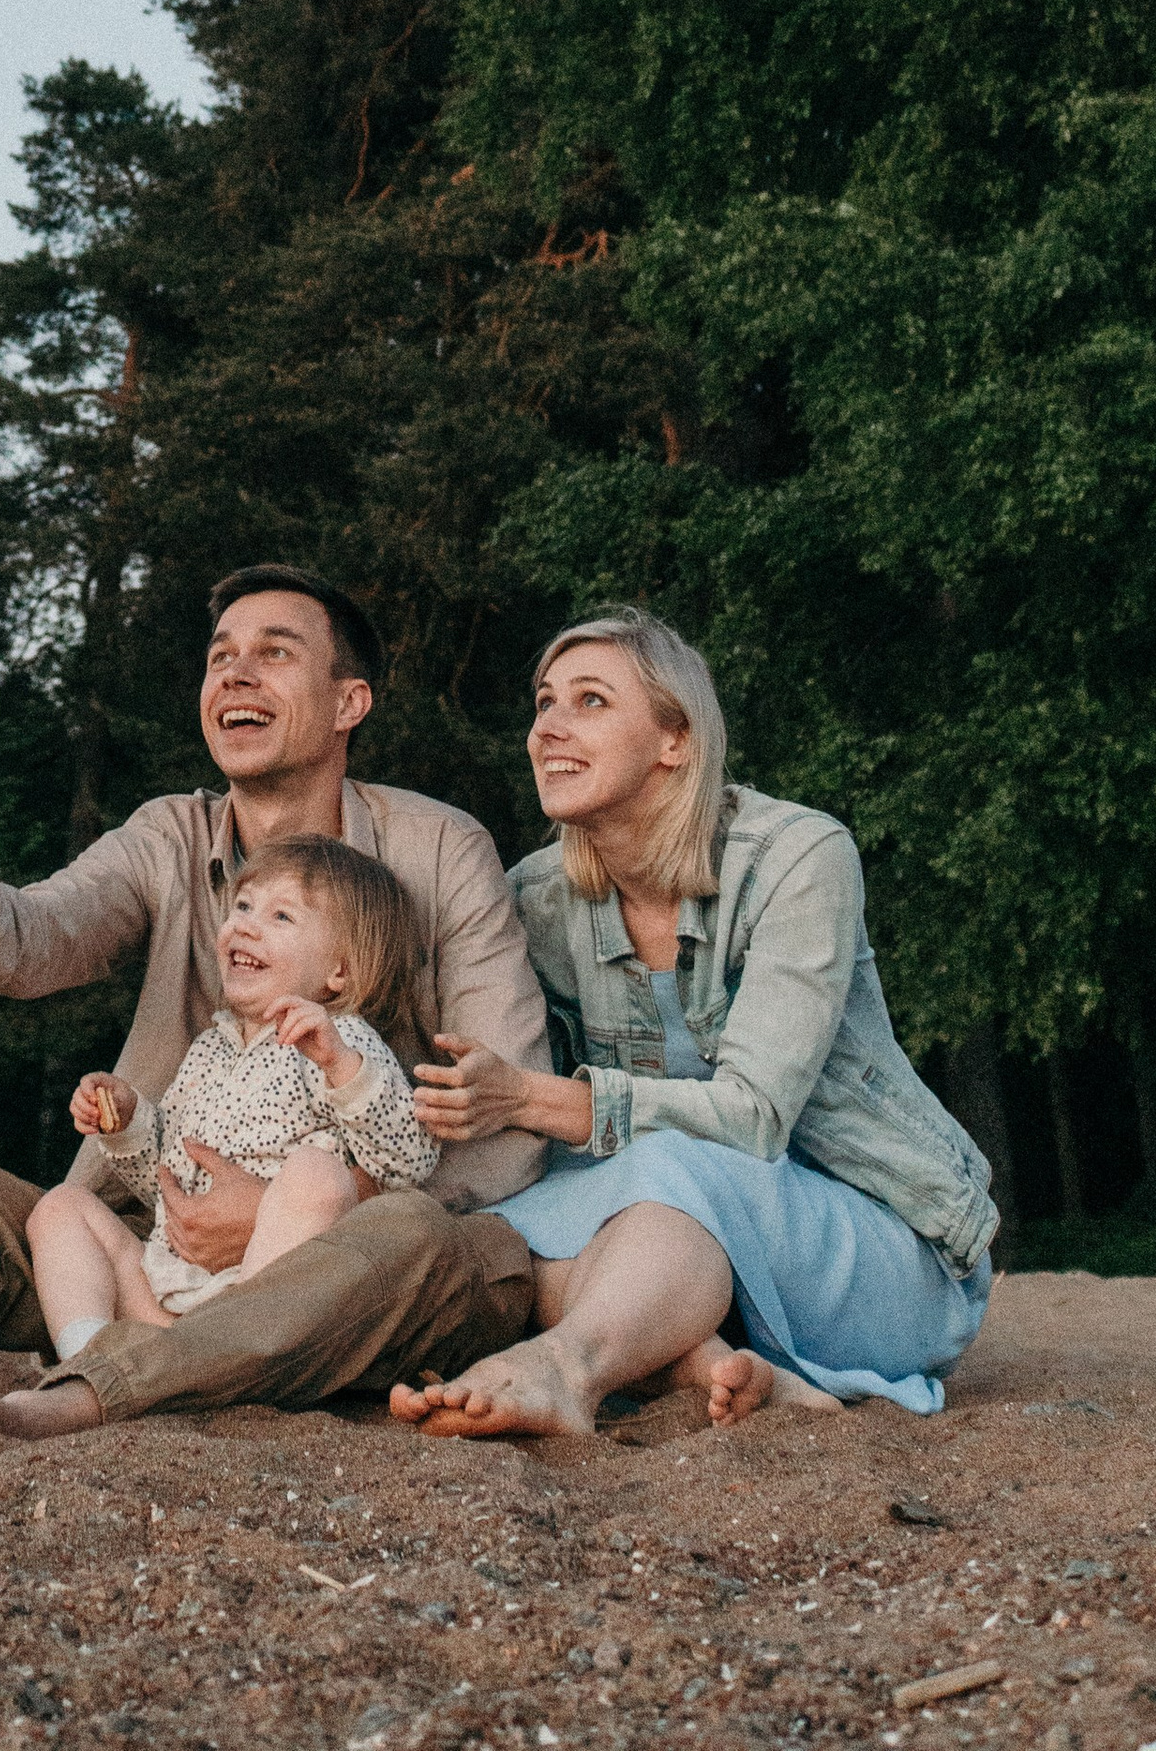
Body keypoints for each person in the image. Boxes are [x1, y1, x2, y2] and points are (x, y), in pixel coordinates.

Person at [0, 564, 555, 1427]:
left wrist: (307, 1209)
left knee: (421, 1244)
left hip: (372, 1250)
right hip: (159, 1233)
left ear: (347, 703)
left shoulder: (440, 849)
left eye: (275, 651)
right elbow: (27, 939)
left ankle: (81, 1400)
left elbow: (506, 1128)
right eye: (219, 655)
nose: (235, 670)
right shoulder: (167, 834)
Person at [390, 606, 1000, 1439]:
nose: (548, 729)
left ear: (674, 739)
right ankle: (712, 1366)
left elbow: (752, 1120)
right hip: (677, 1236)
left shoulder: (797, 859)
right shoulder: (534, 899)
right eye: (543, 703)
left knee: (672, 1160)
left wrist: (531, 1099)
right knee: (505, 1230)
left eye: (590, 701)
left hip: (884, 1257)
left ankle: (568, 1367)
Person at [0, 834, 441, 1434]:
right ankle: (90, 1369)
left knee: (314, 1174)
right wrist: (128, 1125)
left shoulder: (345, 1042)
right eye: (242, 907)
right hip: (166, 1303)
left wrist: (338, 1066)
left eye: (280, 915)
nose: (247, 926)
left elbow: (408, 1164)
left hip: (262, 1321)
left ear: (340, 971)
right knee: (61, 1207)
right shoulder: (209, 1049)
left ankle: (184, 1373)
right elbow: (168, 1183)